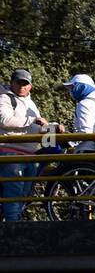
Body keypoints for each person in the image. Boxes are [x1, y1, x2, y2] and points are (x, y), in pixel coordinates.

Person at [1, 69, 63, 221]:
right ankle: (13, 228)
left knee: (25, 195)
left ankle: (15, 224)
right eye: (18, 82)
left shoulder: (31, 103)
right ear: (12, 83)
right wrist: (32, 120)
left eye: (25, 83)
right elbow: (4, 120)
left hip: (29, 155)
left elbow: (36, 128)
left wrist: (53, 127)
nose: (22, 86)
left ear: (30, 86)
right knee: (14, 193)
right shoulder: (4, 98)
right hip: (10, 153)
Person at [62, 73, 95, 152]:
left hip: (86, 149)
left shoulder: (84, 104)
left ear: (83, 87)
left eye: (72, 87)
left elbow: (85, 133)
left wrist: (67, 140)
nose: (70, 91)